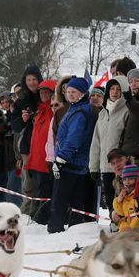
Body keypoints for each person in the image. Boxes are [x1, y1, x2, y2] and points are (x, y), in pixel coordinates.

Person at [48, 76, 94, 233]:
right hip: (74, 162)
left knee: (60, 199)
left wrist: (61, 159)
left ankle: (55, 228)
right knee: (75, 199)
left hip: (70, 161)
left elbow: (73, 138)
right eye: (68, 91)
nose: (70, 94)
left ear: (82, 93)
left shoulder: (80, 112)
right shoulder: (74, 108)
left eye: (74, 92)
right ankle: (75, 228)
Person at [89, 76, 129, 212]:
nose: (115, 92)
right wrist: (93, 166)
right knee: (111, 202)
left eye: (119, 89)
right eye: (112, 88)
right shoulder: (102, 113)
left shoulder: (127, 111)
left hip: (121, 167)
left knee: (122, 199)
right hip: (106, 166)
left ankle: (122, 228)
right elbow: (96, 141)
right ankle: (113, 224)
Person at [10, 64, 43, 214]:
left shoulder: (45, 95)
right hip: (27, 144)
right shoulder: (21, 99)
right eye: (29, 79)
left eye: (34, 79)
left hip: (43, 144)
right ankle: (26, 212)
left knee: (42, 181)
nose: (31, 82)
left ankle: (40, 211)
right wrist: (23, 120)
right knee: (28, 182)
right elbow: (14, 125)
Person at [25, 80, 56, 223]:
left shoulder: (53, 111)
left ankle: (43, 219)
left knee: (45, 192)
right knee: (39, 191)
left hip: (46, 160)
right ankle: (40, 217)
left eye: (46, 92)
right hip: (37, 160)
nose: (43, 94)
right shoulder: (39, 111)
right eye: (41, 92)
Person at [112, 164, 139, 233]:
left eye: (131, 179)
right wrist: (118, 201)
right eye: (124, 179)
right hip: (126, 233)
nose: (127, 182)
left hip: (138, 235)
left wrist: (131, 229)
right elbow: (121, 214)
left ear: (137, 180)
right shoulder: (125, 195)